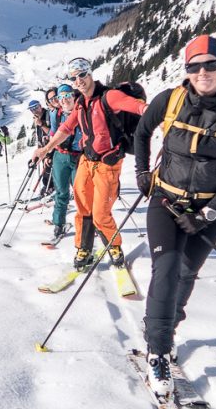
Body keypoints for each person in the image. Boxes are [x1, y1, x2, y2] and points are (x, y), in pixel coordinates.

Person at [132, 35, 216, 399]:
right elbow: (142, 133)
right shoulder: (170, 100)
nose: (202, 72)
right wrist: (142, 173)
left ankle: (167, 331)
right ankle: (157, 350)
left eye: (210, 64)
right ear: (186, 70)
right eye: (194, 66)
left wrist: (207, 212)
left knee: (187, 272)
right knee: (166, 268)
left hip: (211, 210)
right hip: (166, 201)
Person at [32, 57, 148, 270]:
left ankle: (114, 246)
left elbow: (140, 108)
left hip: (108, 164)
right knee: (83, 207)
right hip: (86, 161)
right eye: (75, 78)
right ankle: (83, 248)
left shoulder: (109, 97)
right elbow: (66, 128)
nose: (79, 80)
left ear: (90, 73)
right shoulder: (80, 103)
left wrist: (166, 120)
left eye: (82, 75)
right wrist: (46, 149)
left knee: (101, 212)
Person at [47, 83, 82, 240]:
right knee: (61, 192)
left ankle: (87, 224)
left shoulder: (82, 112)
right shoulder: (56, 114)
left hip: (79, 156)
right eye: (61, 97)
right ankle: (58, 224)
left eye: (67, 96)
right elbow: (54, 133)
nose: (64, 100)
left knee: (81, 193)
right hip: (60, 156)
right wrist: (48, 152)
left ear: (73, 96)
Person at [29, 99, 54, 196]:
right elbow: (40, 136)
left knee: (51, 168)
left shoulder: (48, 115)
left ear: (40, 106)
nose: (35, 110)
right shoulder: (37, 119)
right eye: (32, 109)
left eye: (36, 107)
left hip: (53, 146)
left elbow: (53, 132)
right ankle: (47, 186)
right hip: (44, 148)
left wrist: (41, 124)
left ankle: (52, 187)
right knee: (45, 168)